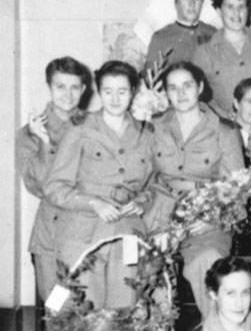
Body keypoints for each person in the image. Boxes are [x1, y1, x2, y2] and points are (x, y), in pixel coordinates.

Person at [44, 60, 153, 309]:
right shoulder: (80, 129)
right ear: (99, 92)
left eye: (122, 91)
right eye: (108, 91)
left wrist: (141, 201)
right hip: (82, 232)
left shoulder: (145, 134)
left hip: (125, 233)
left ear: (133, 92)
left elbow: (154, 184)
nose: (115, 99)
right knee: (78, 312)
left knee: (124, 311)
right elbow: (55, 186)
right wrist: (94, 203)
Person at [146, 61, 244, 320]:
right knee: (142, 263)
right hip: (160, 214)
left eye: (187, 85)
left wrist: (214, 220)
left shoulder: (225, 130)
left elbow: (237, 190)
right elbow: (144, 177)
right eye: (173, 87)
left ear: (200, 87)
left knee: (208, 260)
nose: (180, 93)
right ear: (166, 93)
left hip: (207, 217)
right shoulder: (153, 127)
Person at [16, 56, 92, 302]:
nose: (67, 94)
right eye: (60, 86)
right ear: (49, 86)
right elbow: (38, 186)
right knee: (57, 306)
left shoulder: (96, 126)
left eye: (74, 87)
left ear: (83, 89)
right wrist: (45, 144)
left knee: (91, 306)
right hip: (51, 234)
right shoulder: (29, 133)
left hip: (89, 232)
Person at [145, 0, 216, 68]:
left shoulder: (214, 34)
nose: (191, 4)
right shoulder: (161, 38)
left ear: (202, 3)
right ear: (176, 3)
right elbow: (151, 73)